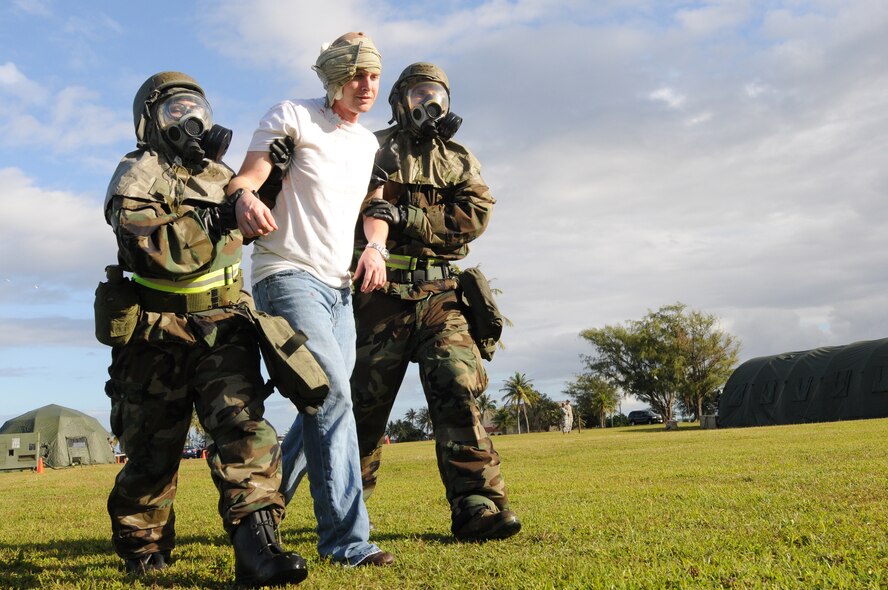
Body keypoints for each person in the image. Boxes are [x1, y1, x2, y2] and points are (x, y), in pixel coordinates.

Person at [98, 72, 307, 586]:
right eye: (175, 111)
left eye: (197, 108)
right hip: (157, 335)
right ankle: (143, 547)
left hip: (224, 326)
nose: (191, 119)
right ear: (150, 121)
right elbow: (154, 249)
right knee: (152, 450)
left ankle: (259, 547)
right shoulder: (135, 174)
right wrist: (222, 216)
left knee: (244, 430)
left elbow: (252, 227)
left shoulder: (220, 174)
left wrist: (271, 180)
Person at [225, 32, 394, 567]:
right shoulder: (292, 115)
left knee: (320, 402)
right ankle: (347, 542)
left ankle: (268, 507)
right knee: (330, 395)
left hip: (340, 287)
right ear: (333, 78)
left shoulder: (368, 144)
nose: (368, 86)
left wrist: (374, 247)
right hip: (287, 274)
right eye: (356, 75)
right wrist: (245, 196)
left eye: (373, 75)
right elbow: (246, 175)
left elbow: (375, 204)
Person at [351, 62, 521, 541]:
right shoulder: (369, 148)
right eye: (421, 94)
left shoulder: (459, 157)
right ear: (399, 100)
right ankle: (348, 513)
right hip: (377, 295)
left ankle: (478, 505)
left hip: (441, 294)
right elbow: (353, 206)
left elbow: (472, 216)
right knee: (364, 404)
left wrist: (405, 216)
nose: (431, 104)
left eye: (438, 95)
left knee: (457, 384)